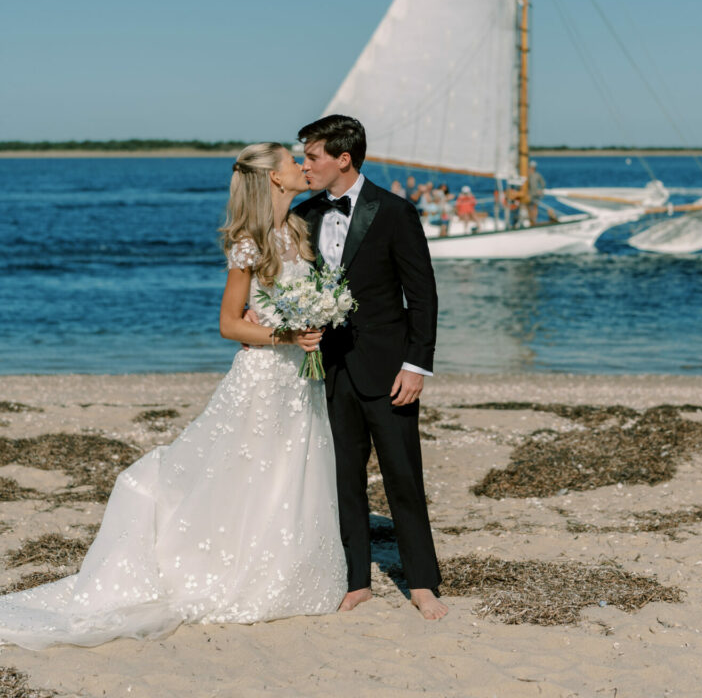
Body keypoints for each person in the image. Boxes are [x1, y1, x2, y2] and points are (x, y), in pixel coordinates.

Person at [0, 143, 347, 650]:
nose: (302, 165)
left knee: (289, 470)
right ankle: (231, 569)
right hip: (263, 376)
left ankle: (287, 570)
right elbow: (229, 323)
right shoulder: (248, 242)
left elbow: (285, 303)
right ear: (274, 178)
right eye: (293, 161)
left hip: (298, 378)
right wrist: (287, 335)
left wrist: (312, 321)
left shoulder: (295, 231)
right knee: (248, 472)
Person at [294, 114, 447, 621]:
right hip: (329, 368)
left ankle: (421, 583)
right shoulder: (304, 214)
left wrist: (416, 365)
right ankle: (356, 580)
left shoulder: (396, 211)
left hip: (389, 369)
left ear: (344, 158)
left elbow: (422, 295)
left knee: (403, 475)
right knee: (343, 479)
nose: (304, 165)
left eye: (312, 156)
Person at [527, 161, 546, 226]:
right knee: (529, 207)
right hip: (529, 194)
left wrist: (540, 190)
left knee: (535, 207)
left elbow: (543, 183)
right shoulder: (527, 175)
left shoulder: (537, 175)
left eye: (533, 167)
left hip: (535, 194)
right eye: (531, 167)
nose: (532, 169)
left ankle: (534, 221)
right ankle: (531, 221)